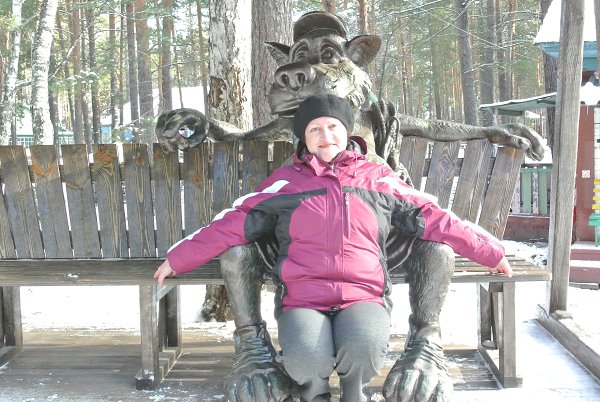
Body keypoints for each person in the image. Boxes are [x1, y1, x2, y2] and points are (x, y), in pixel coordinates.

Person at [154, 94, 512, 402]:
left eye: (333, 127)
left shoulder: (378, 179)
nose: (325, 137)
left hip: (362, 295)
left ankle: (355, 394)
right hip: (303, 298)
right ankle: (315, 393)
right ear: (304, 138)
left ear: (346, 131)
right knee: (306, 360)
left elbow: (436, 218)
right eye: (315, 130)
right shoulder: (286, 184)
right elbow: (232, 224)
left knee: (363, 351)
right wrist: (178, 259)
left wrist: (490, 252)